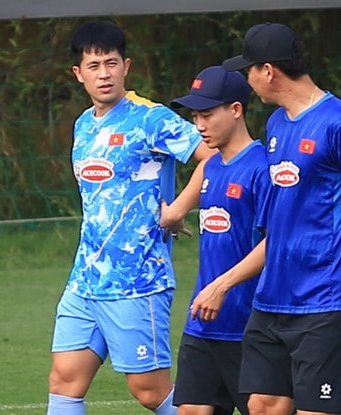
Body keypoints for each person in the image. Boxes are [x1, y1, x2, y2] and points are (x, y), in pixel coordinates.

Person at [190, 22, 341, 415]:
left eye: (249, 69)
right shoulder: (277, 124)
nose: (247, 81)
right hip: (273, 294)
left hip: (325, 295)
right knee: (263, 404)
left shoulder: (340, 124)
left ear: (268, 71)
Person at [46, 21, 216, 415]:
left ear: (126, 66)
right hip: (86, 278)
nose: (103, 74)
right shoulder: (83, 124)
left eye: (111, 63)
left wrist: (178, 208)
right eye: (94, 66)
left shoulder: (150, 119)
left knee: (150, 392)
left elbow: (215, 157)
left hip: (137, 279)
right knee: (65, 380)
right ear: (78, 74)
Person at [161, 65, 272, 415]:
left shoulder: (262, 169)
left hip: (249, 328)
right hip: (203, 324)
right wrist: (170, 215)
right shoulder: (209, 168)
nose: (199, 125)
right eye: (195, 116)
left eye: (207, 115)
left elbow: (276, 243)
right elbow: (174, 212)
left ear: (236, 110)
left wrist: (221, 287)